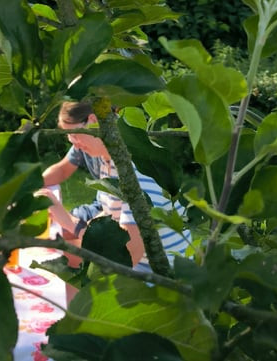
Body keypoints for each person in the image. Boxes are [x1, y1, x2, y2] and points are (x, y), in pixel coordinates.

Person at [41, 101, 191, 271]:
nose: (72, 142)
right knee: (56, 253)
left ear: (92, 121)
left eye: (74, 134)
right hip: (141, 264)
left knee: (61, 260)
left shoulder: (133, 167)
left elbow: (127, 256)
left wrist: (70, 222)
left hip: (159, 274)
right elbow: (114, 220)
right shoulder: (110, 156)